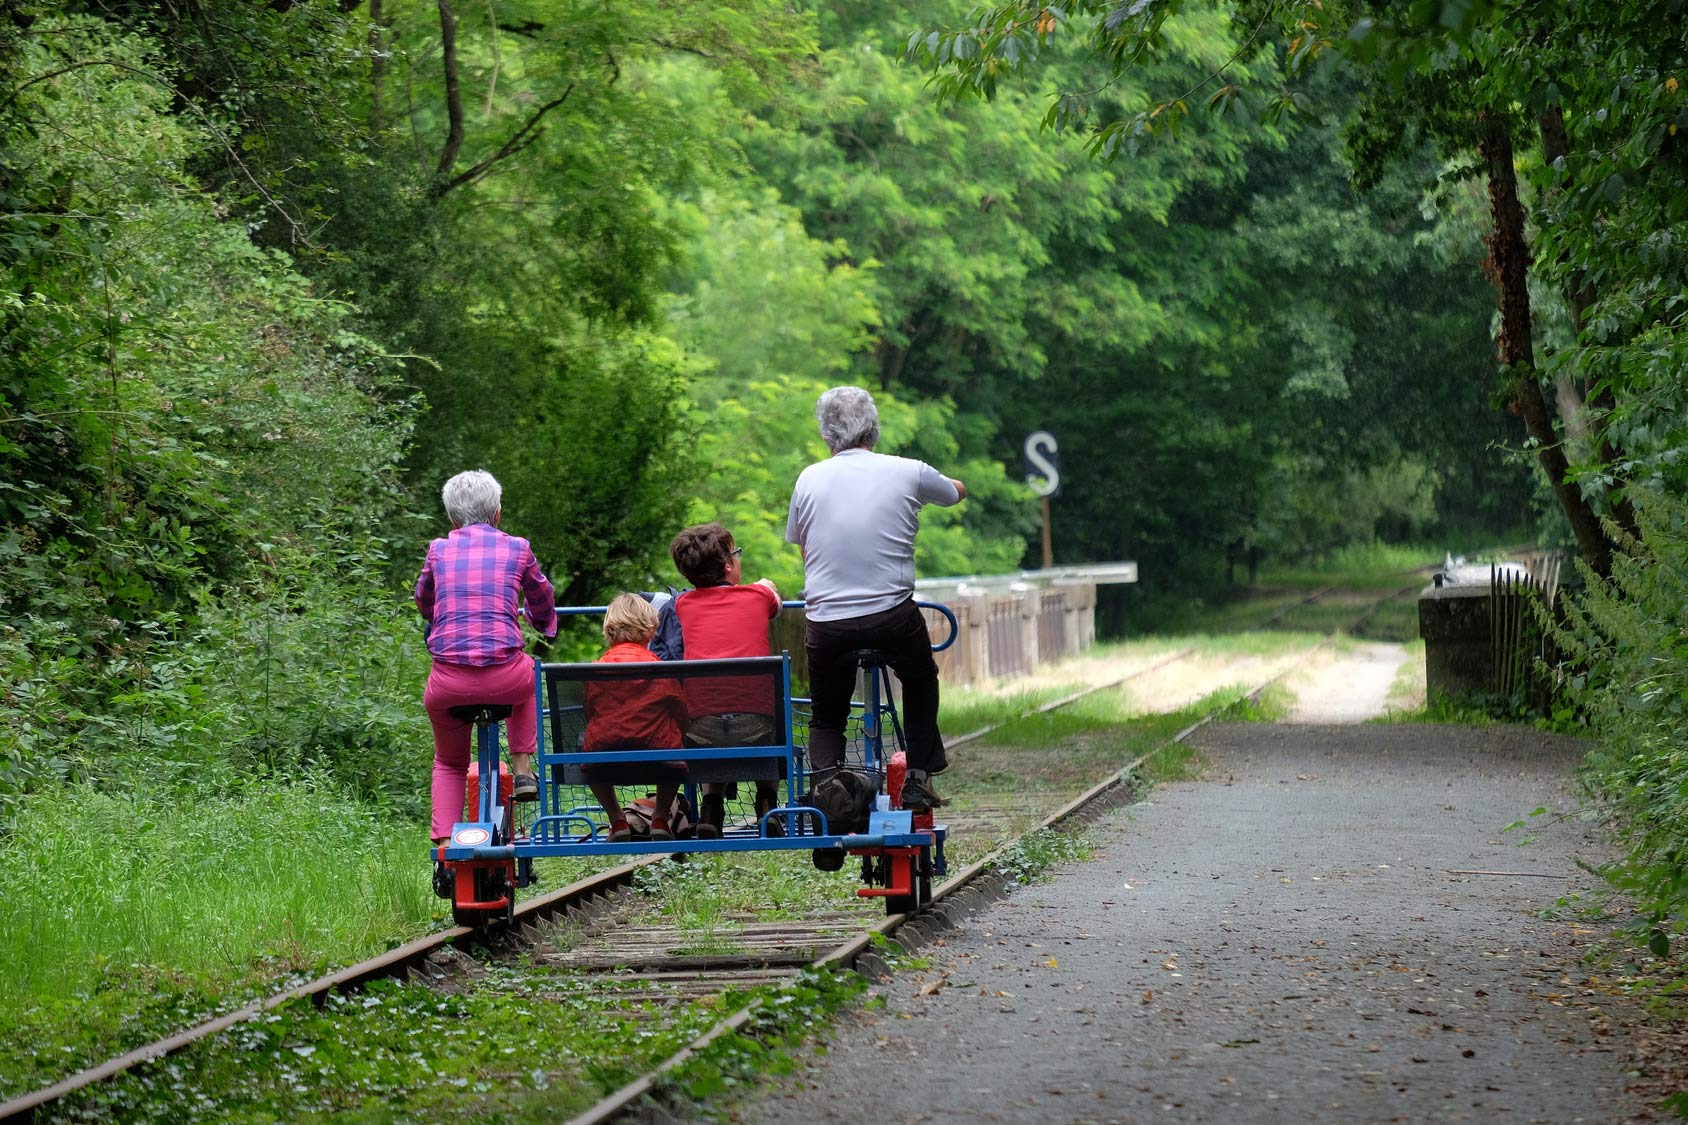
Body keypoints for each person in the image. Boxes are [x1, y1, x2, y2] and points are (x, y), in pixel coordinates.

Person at [786, 386, 966, 812]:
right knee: (920, 679)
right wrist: (954, 485)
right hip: (892, 617)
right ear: (874, 430)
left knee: (827, 713)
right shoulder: (910, 470)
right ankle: (919, 777)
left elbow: (804, 548)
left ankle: (827, 786)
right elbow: (955, 493)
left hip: (827, 623)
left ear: (827, 438)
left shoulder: (808, 478)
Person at [415, 470, 557, 845]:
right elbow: (542, 596)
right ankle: (524, 771)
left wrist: (437, 618)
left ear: (451, 519)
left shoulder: (438, 550)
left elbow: (424, 600)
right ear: (497, 514)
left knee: (448, 762)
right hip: (504, 677)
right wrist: (539, 621)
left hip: (449, 683)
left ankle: (446, 846)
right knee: (528, 679)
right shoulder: (518, 548)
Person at [667, 522, 782, 837]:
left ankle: (711, 805)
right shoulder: (758, 596)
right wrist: (766, 584)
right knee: (759, 714)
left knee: (709, 717)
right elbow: (775, 601)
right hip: (758, 730)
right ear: (729, 564)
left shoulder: (683, 604)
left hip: (701, 732)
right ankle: (767, 802)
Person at [583, 593, 690, 842]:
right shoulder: (661, 669)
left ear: (609, 628)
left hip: (603, 761)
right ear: (652, 630)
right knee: (672, 743)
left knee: (591, 746)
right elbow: (680, 709)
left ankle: (617, 820)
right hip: (660, 759)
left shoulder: (595, 669)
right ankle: (661, 816)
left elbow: (589, 709)